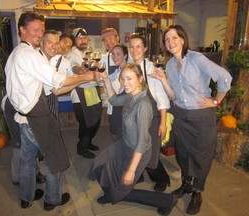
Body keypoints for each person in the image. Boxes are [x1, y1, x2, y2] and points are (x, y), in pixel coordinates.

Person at [5, 12, 94, 211]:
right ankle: (52, 199)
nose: (39, 34)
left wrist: (80, 78)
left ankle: (26, 197)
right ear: (22, 30)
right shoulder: (30, 55)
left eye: (41, 30)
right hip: (36, 117)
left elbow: (52, 88)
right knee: (53, 160)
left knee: (27, 161)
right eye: (36, 30)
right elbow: (58, 82)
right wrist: (85, 77)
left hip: (23, 116)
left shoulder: (17, 53)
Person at [154, 24, 232, 215]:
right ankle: (187, 184)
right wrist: (163, 79)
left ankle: (197, 192)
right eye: (167, 40)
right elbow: (173, 96)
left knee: (201, 156)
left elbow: (225, 78)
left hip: (201, 117)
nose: (171, 42)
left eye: (174, 38)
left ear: (182, 39)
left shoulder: (197, 59)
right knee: (183, 153)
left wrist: (215, 100)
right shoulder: (170, 65)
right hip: (182, 115)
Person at [88, 63, 177, 216]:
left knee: (122, 189)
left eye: (129, 79)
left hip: (138, 152)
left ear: (140, 79)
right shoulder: (131, 95)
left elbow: (142, 143)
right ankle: (112, 193)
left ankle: (166, 200)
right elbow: (115, 100)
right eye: (122, 79)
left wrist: (131, 170)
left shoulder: (143, 105)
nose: (125, 83)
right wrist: (107, 81)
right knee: (99, 164)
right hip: (124, 145)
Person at [129, 33, 171, 191]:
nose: (134, 50)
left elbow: (161, 98)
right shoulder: (129, 67)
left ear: (145, 48)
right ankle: (138, 174)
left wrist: (162, 122)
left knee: (151, 153)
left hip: (152, 118)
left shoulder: (153, 69)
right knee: (136, 148)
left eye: (138, 46)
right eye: (131, 47)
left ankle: (161, 179)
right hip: (135, 118)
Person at [67, 28, 102, 159]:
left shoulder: (89, 52)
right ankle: (81, 147)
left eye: (84, 37)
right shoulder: (72, 55)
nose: (82, 40)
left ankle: (88, 142)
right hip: (80, 92)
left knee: (96, 120)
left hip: (93, 89)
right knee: (86, 122)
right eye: (79, 38)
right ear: (74, 40)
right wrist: (81, 69)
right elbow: (75, 67)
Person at [100, 28, 123, 139]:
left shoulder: (130, 55)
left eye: (110, 38)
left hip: (130, 101)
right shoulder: (103, 60)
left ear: (117, 38)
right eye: (105, 40)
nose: (108, 42)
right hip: (114, 102)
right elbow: (100, 82)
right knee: (116, 133)